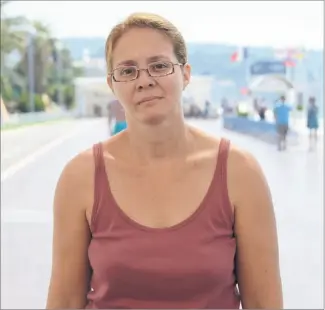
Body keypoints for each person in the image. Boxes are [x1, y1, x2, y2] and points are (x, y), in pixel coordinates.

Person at [46, 12, 283, 309]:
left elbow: (264, 303)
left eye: (159, 66)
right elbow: (65, 302)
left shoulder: (240, 172)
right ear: (111, 84)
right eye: (128, 71)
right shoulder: (80, 177)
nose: (144, 81)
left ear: (185, 74)